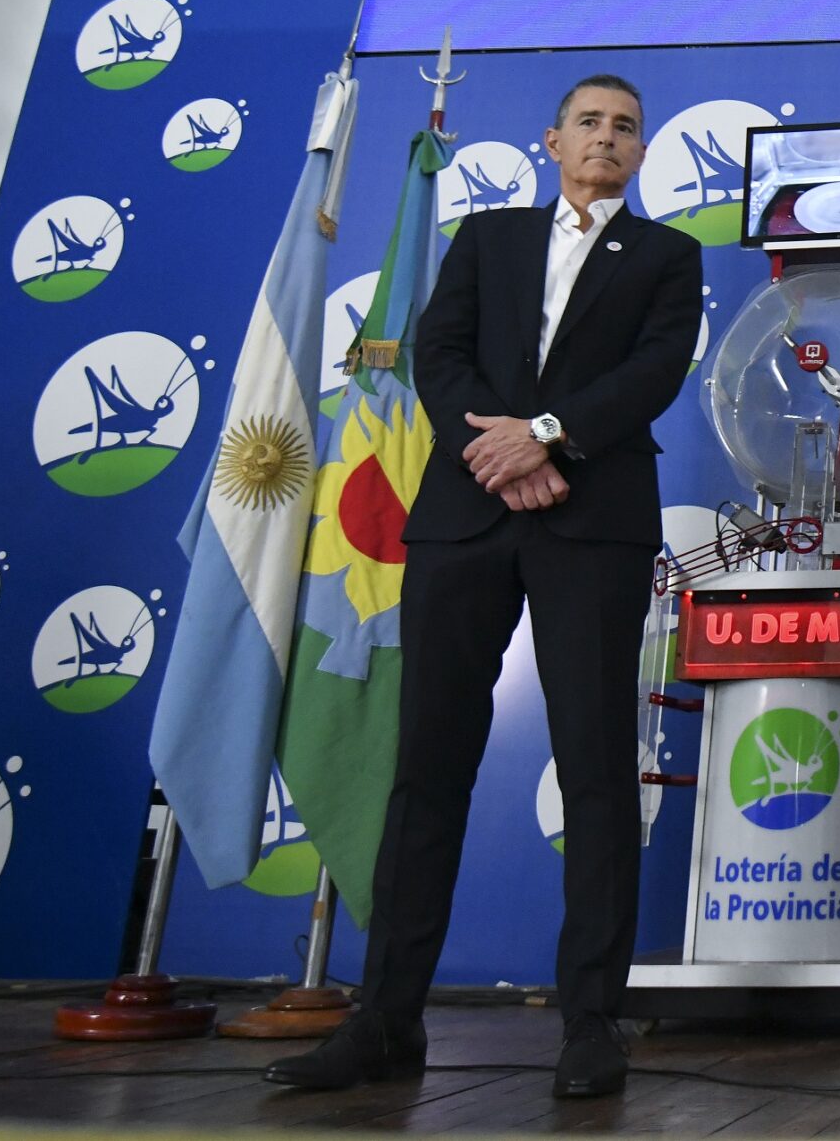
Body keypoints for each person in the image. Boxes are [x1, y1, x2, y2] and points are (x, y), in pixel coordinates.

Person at [268, 76, 703, 1101]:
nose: (606, 138)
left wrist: (545, 436)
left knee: (597, 769)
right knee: (427, 768)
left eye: (625, 128)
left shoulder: (669, 255)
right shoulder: (486, 235)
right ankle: (386, 1019)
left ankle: (591, 1023)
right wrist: (501, 453)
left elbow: (653, 373)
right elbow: (441, 355)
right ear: (552, 140)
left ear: (642, 153)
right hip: (465, 517)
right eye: (589, 122)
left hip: (592, 524)